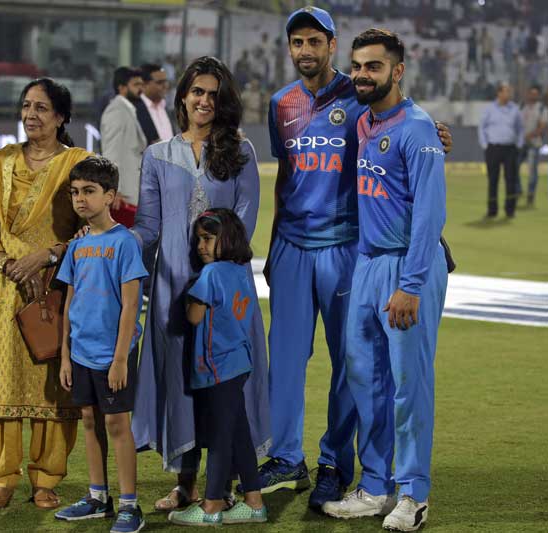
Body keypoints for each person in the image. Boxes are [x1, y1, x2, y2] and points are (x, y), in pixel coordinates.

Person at [262, 7, 452, 509]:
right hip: (318, 252)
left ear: (331, 44)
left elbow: (413, 146)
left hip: (363, 252)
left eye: (314, 41)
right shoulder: (291, 105)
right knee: (321, 368)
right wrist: (274, 243)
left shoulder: (370, 102)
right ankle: (320, 469)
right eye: (296, 42)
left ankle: (366, 475)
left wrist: (438, 134)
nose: (304, 50)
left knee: (381, 376)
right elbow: (287, 174)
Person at [130, 56, 270, 512]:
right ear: (183, 97)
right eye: (197, 92)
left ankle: (223, 487)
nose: (204, 101)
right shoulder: (157, 155)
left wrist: (211, 274)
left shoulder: (241, 153)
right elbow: (149, 228)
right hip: (172, 289)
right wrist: (110, 242)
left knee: (225, 387)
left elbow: (242, 229)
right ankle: (188, 484)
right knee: (181, 383)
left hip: (224, 293)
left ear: (223, 100)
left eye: (213, 94)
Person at [322, 29, 448, 533]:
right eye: (356, 66)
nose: (361, 75)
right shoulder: (365, 123)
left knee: (408, 385)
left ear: (397, 71)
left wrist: (412, 284)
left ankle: (413, 494)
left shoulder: (417, 130)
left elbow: (428, 215)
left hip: (406, 267)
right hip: (368, 264)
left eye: (373, 66)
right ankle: (376, 487)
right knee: (365, 379)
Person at [0, 77, 89, 509]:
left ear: (60, 117)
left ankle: (46, 479)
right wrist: (4, 262)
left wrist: (47, 257)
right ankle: (1, 479)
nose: (30, 115)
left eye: (41, 108)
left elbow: (92, 224)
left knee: (52, 381)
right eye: (26, 106)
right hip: (5, 287)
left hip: (55, 287)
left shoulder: (78, 164)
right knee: (2, 377)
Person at [54, 156, 147, 533]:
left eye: (89, 192)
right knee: (90, 420)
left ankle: (130, 505)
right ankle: (97, 497)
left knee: (117, 424)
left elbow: (130, 305)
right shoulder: (76, 248)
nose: (80, 199)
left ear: (109, 195)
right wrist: (64, 356)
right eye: (75, 192)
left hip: (113, 354)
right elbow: (68, 305)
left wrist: (121, 358)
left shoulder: (124, 242)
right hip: (80, 353)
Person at [168, 209, 267, 526]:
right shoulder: (240, 270)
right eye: (199, 239)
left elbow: (195, 317)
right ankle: (254, 502)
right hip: (238, 362)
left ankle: (211, 506)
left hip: (218, 366)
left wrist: (185, 294)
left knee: (222, 437)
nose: (201, 246)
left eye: (208, 239)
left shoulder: (210, 275)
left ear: (228, 239)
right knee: (239, 435)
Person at [100, 67, 147, 228]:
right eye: (135, 84)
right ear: (121, 87)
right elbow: (111, 153)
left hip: (130, 194)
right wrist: (114, 189)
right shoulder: (116, 111)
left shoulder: (128, 110)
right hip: (122, 197)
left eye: (141, 84)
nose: (140, 88)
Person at [478, 81, 523, 218]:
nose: (508, 94)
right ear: (499, 93)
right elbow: (482, 127)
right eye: (505, 91)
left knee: (511, 179)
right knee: (493, 180)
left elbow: (520, 129)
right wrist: (485, 145)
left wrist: (519, 144)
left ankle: (510, 210)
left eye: (509, 91)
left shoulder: (515, 109)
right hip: (493, 148)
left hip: (510, 148)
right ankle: (492, 211)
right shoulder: (490, 109)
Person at [519, 85, 546, 206]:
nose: (533, 96)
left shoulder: (541, 109)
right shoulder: (522, 107)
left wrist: (530, 135)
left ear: (538, 95)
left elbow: (542, 127)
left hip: (534, 143)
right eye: (531, 93)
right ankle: (518, 190)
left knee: (532, 171)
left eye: (535, 94)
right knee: (513, 167)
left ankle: (531, 194)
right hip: (521, 143)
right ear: (528, 94)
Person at [139, 63, 174, 143]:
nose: (165, 86)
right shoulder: (134, 109)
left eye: (166, 81)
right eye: (160, 82)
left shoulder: (164, 107)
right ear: (144, 85)